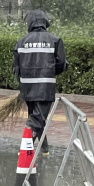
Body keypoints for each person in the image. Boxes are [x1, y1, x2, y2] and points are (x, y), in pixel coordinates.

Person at [13, 10, 68, 155]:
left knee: (36, 115)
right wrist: (50, 71)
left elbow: (16, 68)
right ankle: (25, 148)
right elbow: (62, 64)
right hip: (45, 88)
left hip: (27, 89)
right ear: (45, 22)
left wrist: (23, 83)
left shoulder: (21, 42)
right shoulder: (55, 40)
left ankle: (44, 149)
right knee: (37, 118)